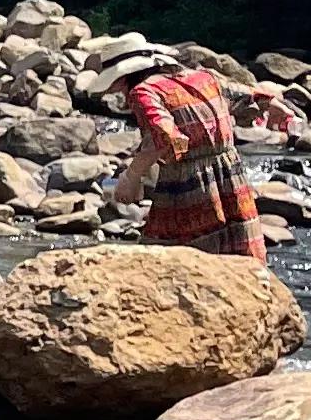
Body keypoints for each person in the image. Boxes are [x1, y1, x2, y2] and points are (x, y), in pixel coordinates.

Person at [104, 48, 299, 263]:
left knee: (169, 259)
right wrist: (279, 109)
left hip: (189, 182)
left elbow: (166, 137)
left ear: (123, 79)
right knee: (240, 257)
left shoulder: (143, 93)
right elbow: (248, 96)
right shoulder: (203, 77)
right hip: (231, 175)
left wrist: (131, 178)